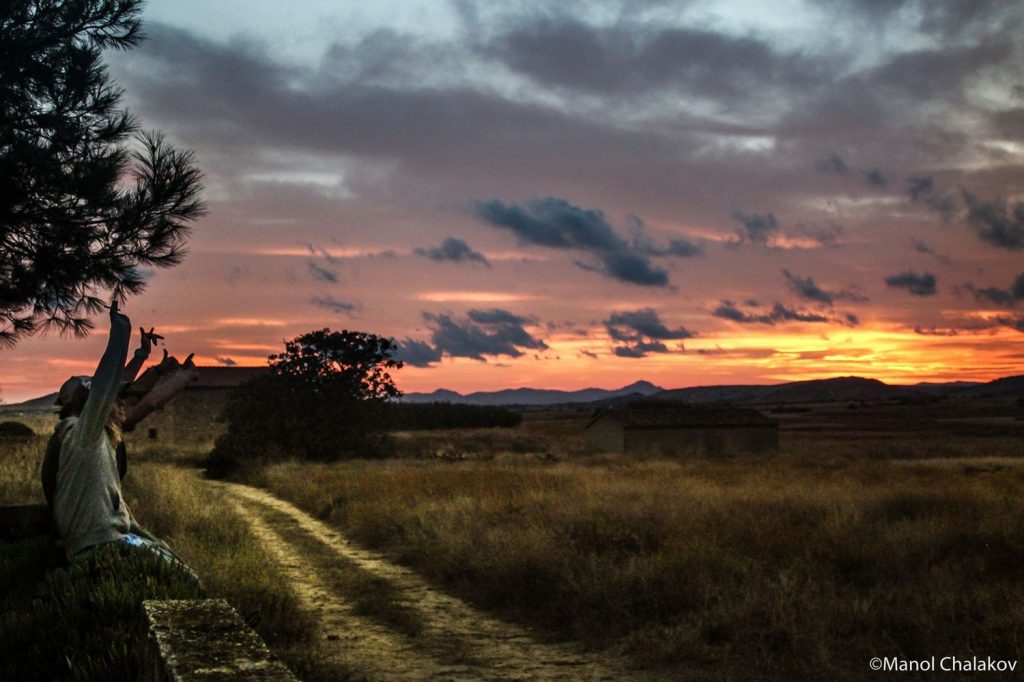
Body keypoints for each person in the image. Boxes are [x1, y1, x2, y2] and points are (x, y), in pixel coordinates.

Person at [44, 300, 199, 583]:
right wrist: (120, 332)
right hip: (101, 546)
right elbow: (107, 383)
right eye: (114, 401)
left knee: (180, 570)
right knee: (185, 580)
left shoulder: (97, 436)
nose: (122, 404)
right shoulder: (83, 435)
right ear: (93, 405)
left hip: (112, 538)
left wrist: (141, 356)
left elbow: (117, 386)